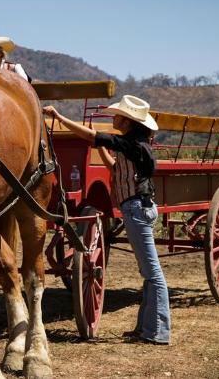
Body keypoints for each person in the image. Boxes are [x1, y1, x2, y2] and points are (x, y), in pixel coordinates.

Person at [42, 95, 171, 345]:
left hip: (135, 208)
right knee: (149, 273)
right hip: (137, 208)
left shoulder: (133, 144)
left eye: (118, 116)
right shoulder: (135, 144)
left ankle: (158, 333)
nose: (114, 118)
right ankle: (146, 329)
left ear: (128, 121)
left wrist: (59, 118)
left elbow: (90, 137)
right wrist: (100, 146)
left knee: (153, 274)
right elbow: (114, 168)